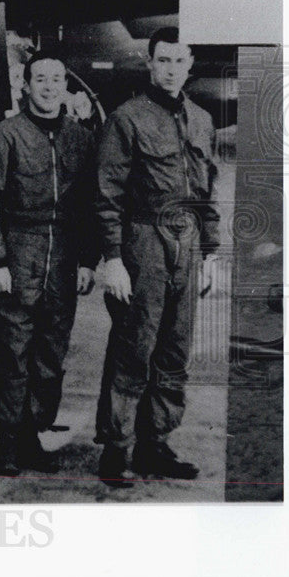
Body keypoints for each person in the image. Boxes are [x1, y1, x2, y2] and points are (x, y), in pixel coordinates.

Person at [94, 27, 221, 486]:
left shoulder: (201, 120)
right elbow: (107, 193)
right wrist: (112, 258)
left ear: (190, 65)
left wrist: (208, 251)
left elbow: (206, 191)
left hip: (186, 242)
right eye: (162, 60)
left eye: (179, 61)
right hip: (142, 240)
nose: (171, 69)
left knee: (174, 350)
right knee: (135, 346)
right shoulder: (126, 119)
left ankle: (155, 444)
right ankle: (117, 447)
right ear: (150, 63)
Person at [0, 51, 98, 477]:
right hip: (18, 252)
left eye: (57, 79)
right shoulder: (4, 136)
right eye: (40, 78)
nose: (48, 86)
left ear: (66, 86)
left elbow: (87, 207)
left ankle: (32, 434)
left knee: (50, 351)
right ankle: (7, 441)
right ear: (25, 86)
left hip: (63, 256)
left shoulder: (80, 138)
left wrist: (86, 260)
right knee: (12, 349)